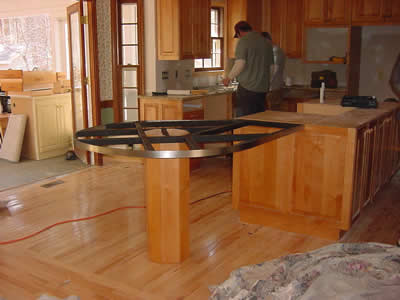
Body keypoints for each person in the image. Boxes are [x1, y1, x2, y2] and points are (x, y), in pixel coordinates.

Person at [223, 21, 273, 117]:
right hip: (262, 88)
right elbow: (272, 67)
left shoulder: (243, 41)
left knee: (244, 120)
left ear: (239, 32)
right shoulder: (266, 42)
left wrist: (228, 78)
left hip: (248, 88)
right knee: (260, 118)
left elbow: (240, 63)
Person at [261, 31, 286, 110]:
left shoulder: (276, 51)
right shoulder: (271, 51)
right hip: (273, 88)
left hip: (273, 89)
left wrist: (265, 84)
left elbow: (274, 70)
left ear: (267, 40)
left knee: (272, 113)